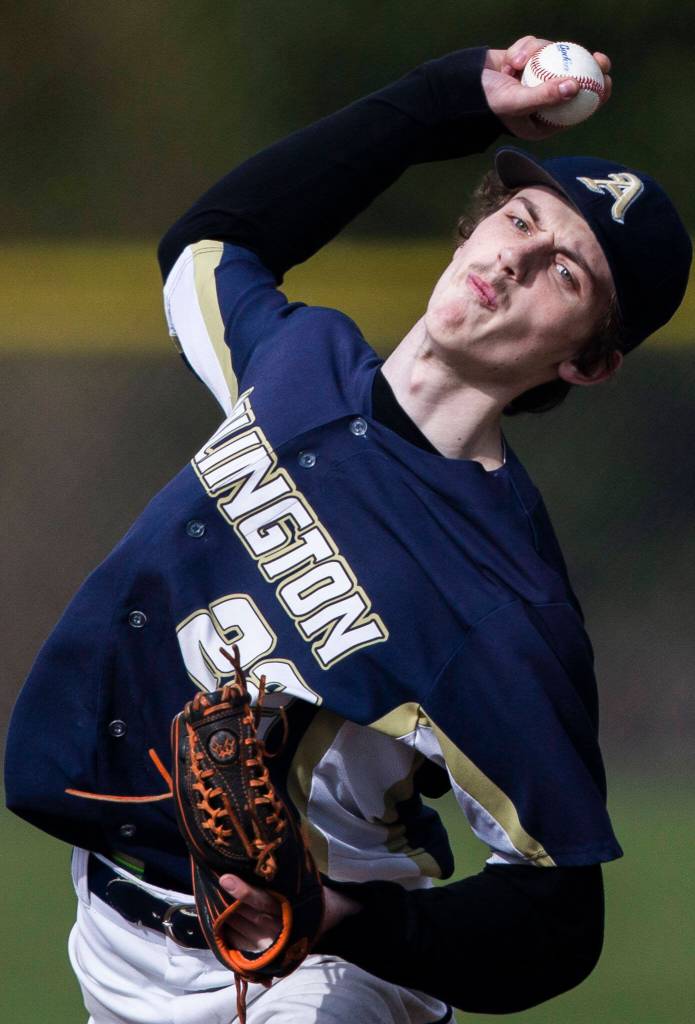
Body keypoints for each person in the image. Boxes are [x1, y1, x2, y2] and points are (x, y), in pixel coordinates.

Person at [5, 35, 691, 1024]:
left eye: (565, 274)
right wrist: (447, 99)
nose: (514, 258)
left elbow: (558, 914)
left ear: (585, 362)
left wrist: (339, 921)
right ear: (474, 227)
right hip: (112, 944)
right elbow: (211, 243)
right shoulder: (298, 363)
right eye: (519, 218)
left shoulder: (499, 598)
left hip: (308, 985)